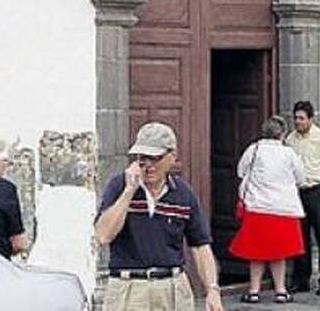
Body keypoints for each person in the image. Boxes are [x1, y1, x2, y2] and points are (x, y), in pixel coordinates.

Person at [94, 122, 224, 311]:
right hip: (129, 288)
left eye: (155, 158)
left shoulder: (183, 193)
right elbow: (103, 235)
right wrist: (129, 191)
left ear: (172, 157)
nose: (148, 166)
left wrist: (212, 289)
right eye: (142, 158)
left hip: (171, 288)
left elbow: (200, 246)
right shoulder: (118, 185)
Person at [229, 116, 306, 304]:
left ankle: (254, 291)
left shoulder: (254, 150)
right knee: (278, 252)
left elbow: (240, 171)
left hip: (258, 206)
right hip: (283, 208)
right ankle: (281, 290)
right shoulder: (289, 154)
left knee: (256, 252)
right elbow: (300, 178)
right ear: (282, 133)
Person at [284, 100, 320, 296]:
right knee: (300, 238)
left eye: (301, 118)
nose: (298, 122)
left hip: (318, 190)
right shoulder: (290, 140)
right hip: (298, 191)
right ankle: (301, 279)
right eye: (296, 118)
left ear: (310, 118)